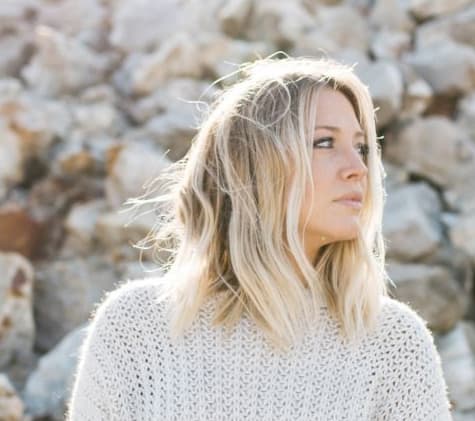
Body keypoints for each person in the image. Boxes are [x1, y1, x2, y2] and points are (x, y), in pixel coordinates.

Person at [65, 55, 453, 420]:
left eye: (362, 148)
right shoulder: (136, 328)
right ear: (252, 165)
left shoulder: (392, 344)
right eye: (324, 142)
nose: (359, 169)